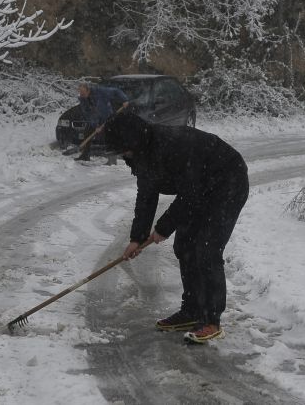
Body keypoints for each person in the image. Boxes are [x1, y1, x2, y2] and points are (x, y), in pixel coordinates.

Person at [103, 113, 249, 344]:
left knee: (206, 250)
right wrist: (137, 238)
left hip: (227, 183)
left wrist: (163, 228)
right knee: (184, 246)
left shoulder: (172, 147)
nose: (121, 155)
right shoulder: (141, 153)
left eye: (121, 149)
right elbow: (146, 195)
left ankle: (211, 320)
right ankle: (191, 311)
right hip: (200, 189)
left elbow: (190, 196)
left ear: (132, 141)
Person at [75, 83, 130, 161]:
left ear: (88, 90)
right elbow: (88, 114)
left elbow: (116, 91)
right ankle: (85, 156)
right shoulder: (83, 99)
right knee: (87, 133)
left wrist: (125, 100)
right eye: (80, 93)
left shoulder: (101, 91)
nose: (81, 95)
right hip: (95, 119)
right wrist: (96, 125)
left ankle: (112, 160)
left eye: (83, 93)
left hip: (107, 117)